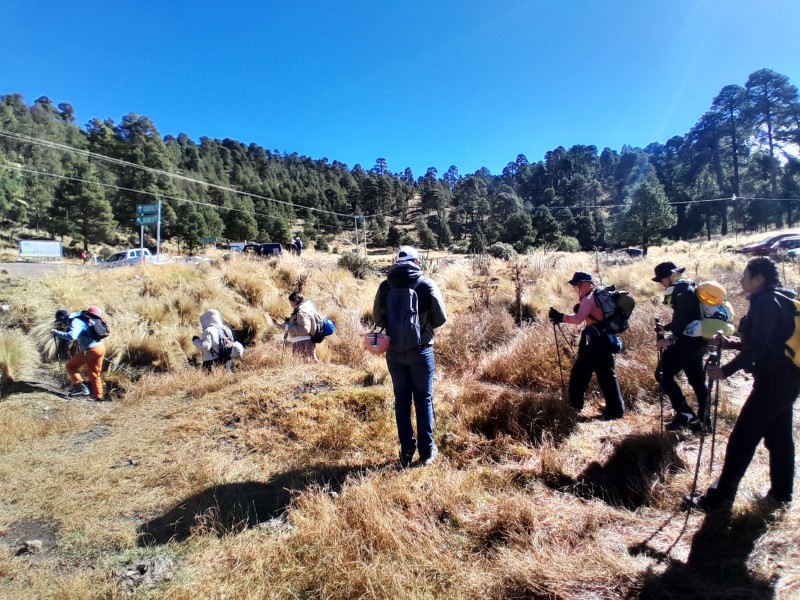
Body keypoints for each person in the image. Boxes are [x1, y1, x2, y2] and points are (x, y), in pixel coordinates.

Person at [687, 257, 800, 512]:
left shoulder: (763, 302)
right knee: (779, 438)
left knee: (742, 439)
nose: (741, 280)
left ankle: (719, 500)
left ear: (758, 278)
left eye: (746, 275)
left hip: (772, 382)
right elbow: (768, 343)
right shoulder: (782, 298)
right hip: (789, 379)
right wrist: (729, 343)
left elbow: (758, 347)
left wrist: (725, 371)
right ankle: (782, 494)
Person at [373, 246, 448, 467]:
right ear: (417, 261)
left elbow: (378, 319)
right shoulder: (426, 283)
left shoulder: (386, 286)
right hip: (421, 350)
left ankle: (406, 451)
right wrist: (422, 328)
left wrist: (396, 327)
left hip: (394, 352)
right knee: (423, 399)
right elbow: (441, 318)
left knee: (402, 401)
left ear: (397, 262)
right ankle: (426, 452)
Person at [548, 272, 624, 419]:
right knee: (608, 376)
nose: (574, 287)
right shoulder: (599, 295)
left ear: (582, 283)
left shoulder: (588, 298)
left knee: (579, 373)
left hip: (593, 341)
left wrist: (560, 317)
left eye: (575, 284)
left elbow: (577, 319)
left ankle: (575, 405)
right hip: (607, 339)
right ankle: (616, 410)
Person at [652, 261, 707, 432]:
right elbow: (688, 317)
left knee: (662, 373)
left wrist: (672, 338)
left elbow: (683, 315)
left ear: (670, 275)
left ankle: (685, 414)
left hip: (687, 342)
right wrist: (667, 328)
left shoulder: (681, 289)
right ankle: (704, 421)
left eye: (662, 279)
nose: (661, 283)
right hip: (699, 339)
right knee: (697, 381)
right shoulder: (688, 285)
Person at [52, 306, 106, 400]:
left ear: (62, 318)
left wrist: (56, 333)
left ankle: (81, 388)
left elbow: (71, 336)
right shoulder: (86, 319)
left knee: (70, 366)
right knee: (94, 373)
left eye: (60, 321)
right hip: (100, 347)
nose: (62, 323)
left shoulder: (75, 321)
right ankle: (98, 396)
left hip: (90, 350)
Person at [284, 292, 319, 361]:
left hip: (303, 342)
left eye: (291, 302)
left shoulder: (301, 311)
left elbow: (304, 329)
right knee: (312, 362)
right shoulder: (304, 309)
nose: (291, 305)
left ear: (296, 301)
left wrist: (286, 327)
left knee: (306, 364)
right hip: (306, 341)